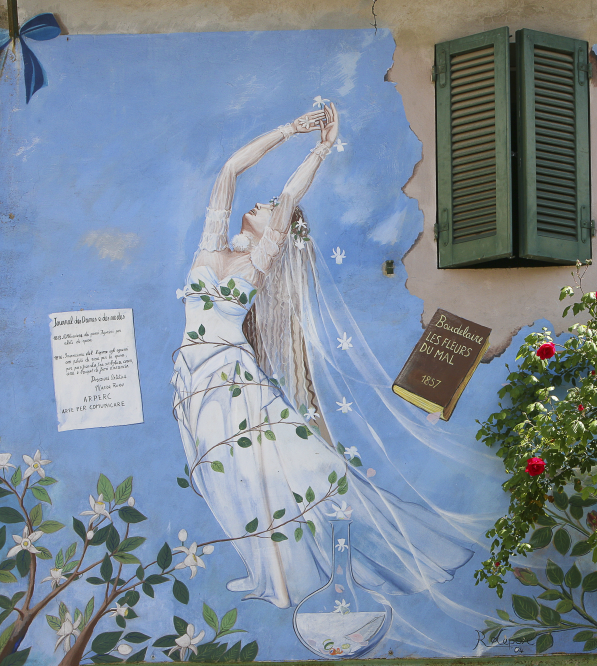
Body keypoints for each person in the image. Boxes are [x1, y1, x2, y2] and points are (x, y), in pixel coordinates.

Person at [171, 104, 473, 609]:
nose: (264, 203)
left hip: (233, 377)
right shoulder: (211, 244)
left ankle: (296, 569)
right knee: (222, 474)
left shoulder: (259, 260)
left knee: (284, 469)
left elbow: (290, 194)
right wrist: (290, 128)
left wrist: (321, 148)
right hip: (192, 378)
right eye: (265, 203)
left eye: (271, 210)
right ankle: (264, 570)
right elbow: (229, 169)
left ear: (278, 234)